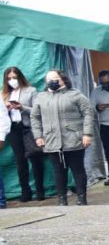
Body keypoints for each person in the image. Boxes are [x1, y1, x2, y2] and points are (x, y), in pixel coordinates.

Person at [30, 69, 95, 206]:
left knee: (77, 169)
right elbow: (35, 117)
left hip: (74, 138)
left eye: (55, 79)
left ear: (63, 79)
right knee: (58, 170)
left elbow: (88, 113)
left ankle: (82, 198)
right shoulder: (41, 97)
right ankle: (62, 199)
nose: (52, 82)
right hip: (52, 140)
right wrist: (38, 136)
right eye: (49, 80)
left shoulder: (75, 95)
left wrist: (87, 134)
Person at [4, 67, 46, 201]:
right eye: (9, 78)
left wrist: (22, 107)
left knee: (35, 159)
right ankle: (25, 192)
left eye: (14, 78)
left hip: (28, 128)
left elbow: (37, 110)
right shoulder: (4, 94)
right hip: (13, 129)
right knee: (20, 162)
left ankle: (40, 191)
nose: (12, 81)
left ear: (20, 77)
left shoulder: (31, 91)